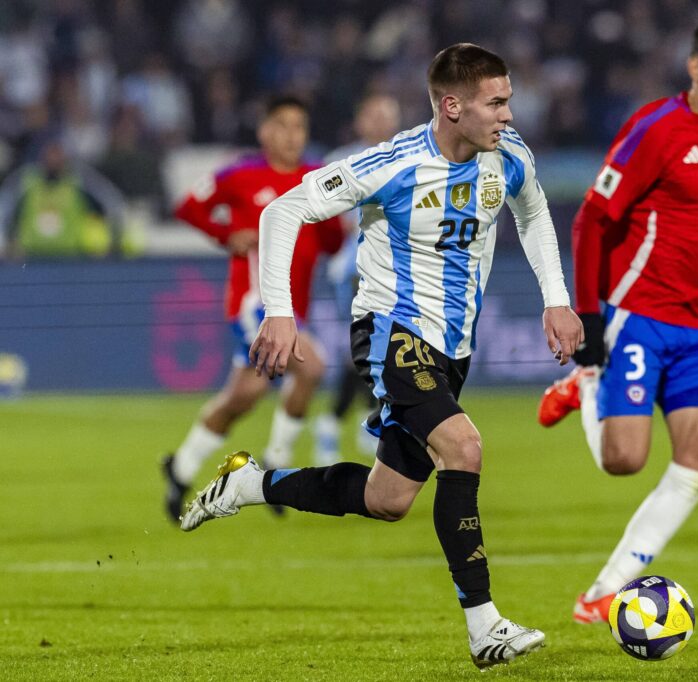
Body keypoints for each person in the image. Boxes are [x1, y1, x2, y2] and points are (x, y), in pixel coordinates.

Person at [178, 44, 583, 669]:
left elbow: (532, 213)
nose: (508, 114)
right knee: (464, 447)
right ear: (452, 106)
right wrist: (279, 312)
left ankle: (251, 483)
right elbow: (283, 211)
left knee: (387, 499)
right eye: (496, 102)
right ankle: (485, 628)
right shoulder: (393, 163)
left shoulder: (510, 157)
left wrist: (556, 299)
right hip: (391, 333)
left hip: (452, 347)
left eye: (508, 101)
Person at [535, 18, 698, 625]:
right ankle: (586, 384)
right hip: (640, 316)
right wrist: (590, 314)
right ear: (695, 66)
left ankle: (605, 590)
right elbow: (592, 219)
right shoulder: (656, 127)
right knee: (624, 460)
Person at [161, 95, 344, 523]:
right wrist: (226, 234)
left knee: (244, 395)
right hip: (254, 303)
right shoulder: (241, 174)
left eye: (299, 127)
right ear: (264, 131)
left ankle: (181, 466)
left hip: (294, 308)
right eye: (282, 125)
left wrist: (331, 227)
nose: (291, 135)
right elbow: (188, 207)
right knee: (310, 367)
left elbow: (333, 240)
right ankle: (276, 468)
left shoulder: (316, 179)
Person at [313, 93, 403, 467]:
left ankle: (359, 420)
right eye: (374, 114)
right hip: (353, 269)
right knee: (366, 345)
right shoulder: (341, 161)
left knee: (376, 347)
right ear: (360, 120)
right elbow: (321, 212)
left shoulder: (405, 157)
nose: (381, 122)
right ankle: (340, 422)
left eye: (387, 115)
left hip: (393, 269)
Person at [0, 132, 124, 259]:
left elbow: (112, 203)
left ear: (66, 155)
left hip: (72, 257)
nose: (54, 158)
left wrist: (112, 244)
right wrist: (4, 245)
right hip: (30, 257)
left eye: (58, 152)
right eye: (50, 152)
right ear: (41, 155)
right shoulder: (26, 180)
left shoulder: (80, 179)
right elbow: (4, 209)